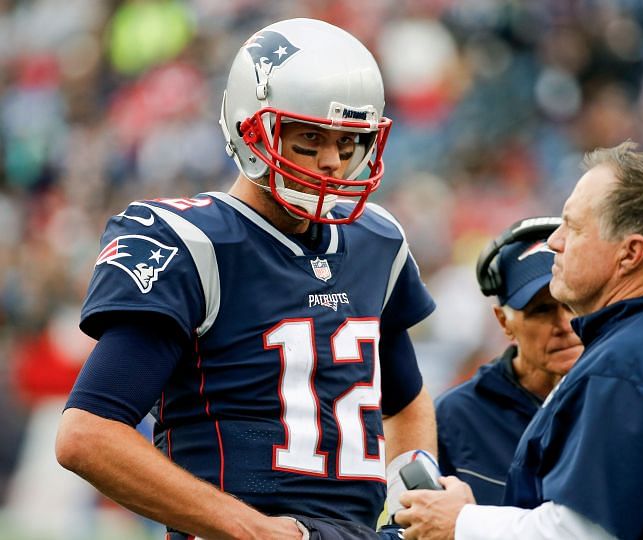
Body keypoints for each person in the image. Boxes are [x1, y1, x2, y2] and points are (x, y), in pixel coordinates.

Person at [55, 18, 437, 540]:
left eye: (349, 141)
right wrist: (252, 530)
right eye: (310, 137)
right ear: (250, 128)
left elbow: (406, 398)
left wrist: (417, 497)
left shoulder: (377, 239)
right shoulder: (191, 243)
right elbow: (87, 434)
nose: (332, 161)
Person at [395, 141, 643, 540]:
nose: (556, 240)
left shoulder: (632, 362)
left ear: (630, 254)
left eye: (575, 226)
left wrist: (460, 522)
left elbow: (580, 533)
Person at [434, 217, 582, 504]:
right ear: (504, 322)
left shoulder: (620, 399)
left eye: (572, 304)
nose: (564, 324)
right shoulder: (455, 419)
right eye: (541, 310)